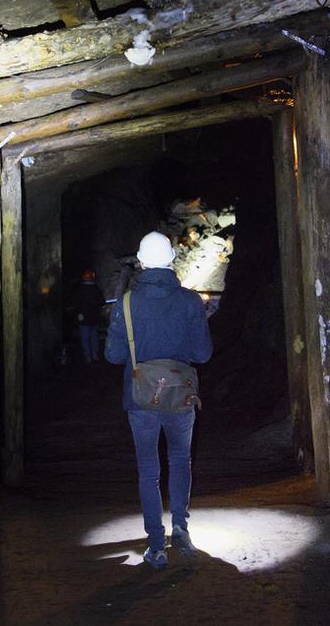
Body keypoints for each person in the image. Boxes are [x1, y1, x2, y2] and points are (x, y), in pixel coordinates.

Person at [105, 232, 213, 570]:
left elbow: (113, 355)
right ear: (171, 259)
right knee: (181, 460)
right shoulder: (191, 302)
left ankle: (156, 544)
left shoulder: (126, 303)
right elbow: (202, 353)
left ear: (140, 261)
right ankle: (180, 527)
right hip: (180, 397)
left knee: (148, 470)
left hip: (141, 399)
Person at [72, 269, 104, 363]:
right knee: (94, 337)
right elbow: (102, 302)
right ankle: (95, 356)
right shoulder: (96, 289)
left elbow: (74, 303)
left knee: (85, 338)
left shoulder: (79, 289)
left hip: (83, 318)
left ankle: (88, 357)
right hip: (94, 318)